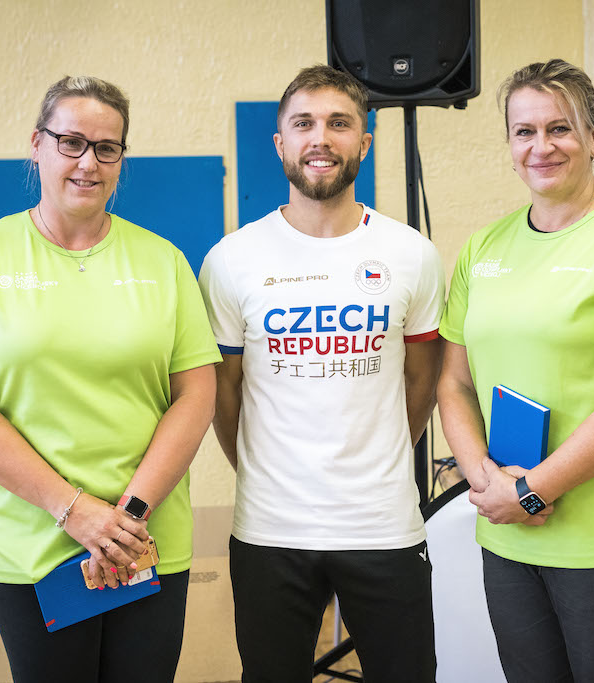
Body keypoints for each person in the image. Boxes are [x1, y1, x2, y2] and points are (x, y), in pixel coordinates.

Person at [0, 76, 220, 683]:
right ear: (37, 145)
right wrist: (76, 512)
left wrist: (126, 519)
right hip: (34, 544)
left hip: (144, 539)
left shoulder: (164, 260)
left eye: (107, 148)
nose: (88, 162)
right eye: (71, 142)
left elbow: (196, 395)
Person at [436, 59, 594, 682]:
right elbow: (455, 383)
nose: (541, 146)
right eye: (524, 132)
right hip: (509, 533)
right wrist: (488, 483)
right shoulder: (484, 248)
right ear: (509, 145)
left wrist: (531, 490)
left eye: (560, 129)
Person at [198, 64, 443, 683]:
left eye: (339, 123)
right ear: (279, 142)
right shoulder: (231, 260)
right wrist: (261, 468)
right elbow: (224, 391)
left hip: (383, 524)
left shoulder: (411, 254)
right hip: (270, 528)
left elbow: (422, 381)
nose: (321, 138)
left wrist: (382, 452)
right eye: (303, 124)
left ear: (365, 141)